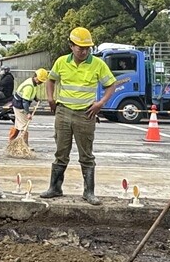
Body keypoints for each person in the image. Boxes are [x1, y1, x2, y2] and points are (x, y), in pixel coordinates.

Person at [39, 27, 115, 204]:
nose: (84, 51)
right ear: (71, 46)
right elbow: (50, 79)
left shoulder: (98, 64)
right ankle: (55, 187)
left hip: (85, 114)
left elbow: (110, 85)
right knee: (61, 151)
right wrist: (50, 98)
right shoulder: (61, 62)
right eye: (80, 47)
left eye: (87, 48)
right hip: (63, 111)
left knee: (86, 154)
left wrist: (100, 103)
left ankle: (89, 192)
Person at [9, 68, 47, 158]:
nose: (41, 83)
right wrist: (28, 113)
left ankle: (12, 141)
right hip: (19, 106)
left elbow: (30, 95)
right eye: (41, 81)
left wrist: (36, 98)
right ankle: (24, 146)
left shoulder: (32, 83)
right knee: (24, 126)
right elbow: (25, 101)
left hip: (18, 103)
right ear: (37, 78)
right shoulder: (29, 86)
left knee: (19, 124)